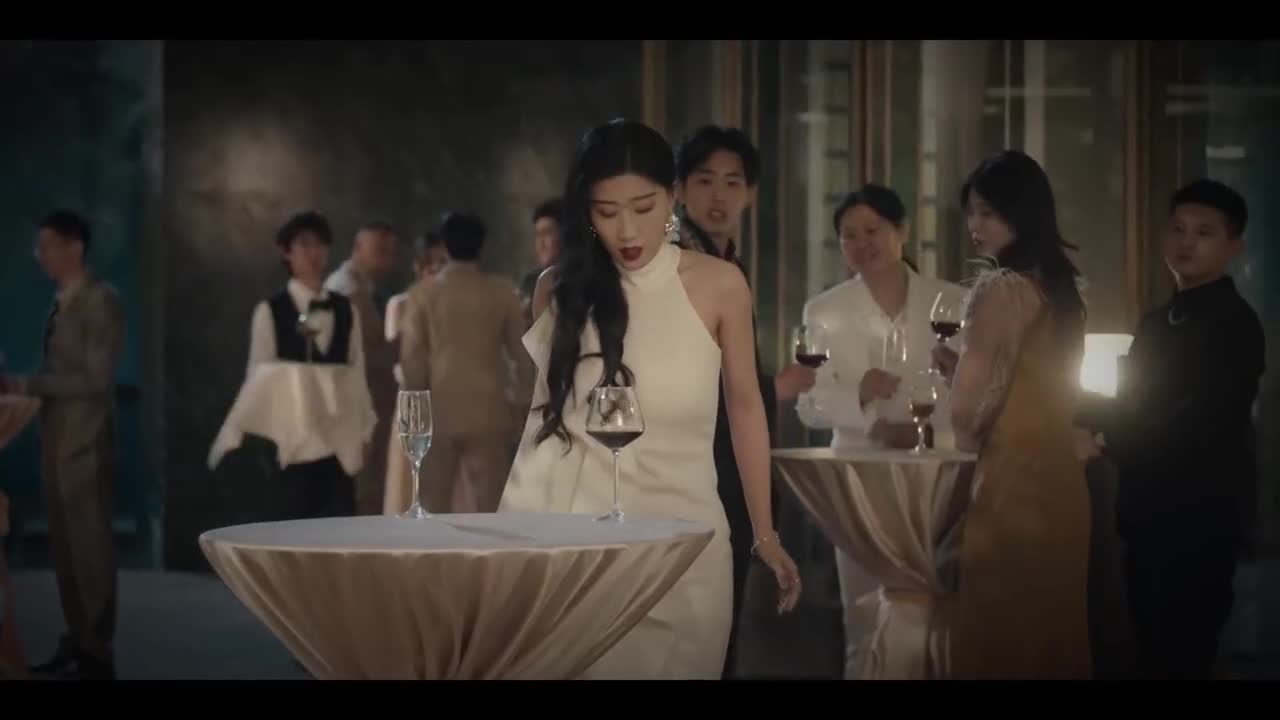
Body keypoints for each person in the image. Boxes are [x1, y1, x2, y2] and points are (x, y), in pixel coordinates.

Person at [501, 119, 802, 680]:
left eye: (643, 208)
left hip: (688, 541)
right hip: (580, 548)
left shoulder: (719, 285)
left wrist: (764, 533)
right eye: (606, 211)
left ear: (672, 196)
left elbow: (745, 408)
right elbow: (541, 429)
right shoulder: (558, 289)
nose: (626, 230)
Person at [1078, 179, 1264, 679]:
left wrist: (1104, 437)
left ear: (1234, 246)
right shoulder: (1158, 322)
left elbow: (1195, 423)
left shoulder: (1236, 324)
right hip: (1146, 515)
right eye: (1178, 229)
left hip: (1199, 518)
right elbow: (1132, 405)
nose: (1186, 242)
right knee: (1149, 647)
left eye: (1204, 233)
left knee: (1182, 653)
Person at [931, 150, 1092, 679]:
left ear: (1019, 213)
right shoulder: (1062, 292)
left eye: (987, 212)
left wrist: (956, 378)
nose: (974, 226)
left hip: (1010, 489)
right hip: (1063, 488)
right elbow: (1041, 389)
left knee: (997, 646)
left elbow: (968, 418)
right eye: (971, 213)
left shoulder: (1000, 289)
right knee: (1052, 642)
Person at [796, 184, 965, 678]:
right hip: (858, 479)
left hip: (938, 474)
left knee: (938, 615)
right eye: (849, 235)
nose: (861, 243)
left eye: (873, 230)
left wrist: (926, 426)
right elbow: (809, 404)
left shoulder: (951, 301)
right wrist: (862, 397)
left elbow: (973, 389)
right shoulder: (823, 310)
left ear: (902, 231)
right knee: (865, 613)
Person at [672, 124, 815, 678]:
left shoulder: (727, 262)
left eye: (733, 182)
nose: (719, 195)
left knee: (719, 626)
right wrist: (774, 389)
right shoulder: (677, 263)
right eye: (704, 180)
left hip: (728, 463)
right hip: (693, 466)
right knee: (697, 628)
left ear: (750, 193)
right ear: (680, 189)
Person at [1, 210, 124, 680]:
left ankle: (96, 650)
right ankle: (78, 638)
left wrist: (28, 384)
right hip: (55, 440)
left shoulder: (99, 301)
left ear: (75, 247)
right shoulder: (61, 302)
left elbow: (95, 378)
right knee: (66, 551)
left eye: (48, 246)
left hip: (85, 442)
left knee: (89, 549)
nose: (40, 255)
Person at [399, 212, 532, 513]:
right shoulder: (502, 292)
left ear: (445, 246)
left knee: (432, 505)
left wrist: (414, 415)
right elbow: (523, 355)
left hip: (438, 412)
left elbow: (413, 361)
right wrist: (522, 403)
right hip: (490, 411)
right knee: (491, 508)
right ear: (482, 245)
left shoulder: (422, 293)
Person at [246, 210, 366, 519]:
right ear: (286, 251)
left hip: (337, 445)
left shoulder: (346, 310)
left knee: (340, 531)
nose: (313, 253)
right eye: (304, 244)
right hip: (292, 446)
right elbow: (258, 381)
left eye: (320, 244)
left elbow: (357, 375)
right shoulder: (270, 312)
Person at [325, 220, 400, 516]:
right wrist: (402, 342)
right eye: (379, 250)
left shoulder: (359, 288)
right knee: (363, 490)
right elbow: (360, 357)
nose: (386, 260)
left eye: (390, 252)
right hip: (355, 409)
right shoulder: (347, 292)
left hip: (362, 407)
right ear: (357, 248)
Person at [382, 231, 446, 514]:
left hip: (446, 400)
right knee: (405, 483)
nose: (437, 269)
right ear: (419, 266)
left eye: (443, 262)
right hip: (412, 399)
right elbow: (397, 355)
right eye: (431, 262)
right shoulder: (400, 304)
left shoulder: (454, 306)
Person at [519, 198, 563, 325]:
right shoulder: (531, 281)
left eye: (547, 233)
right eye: (538, 235)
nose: (540, 243)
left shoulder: (580, 279)